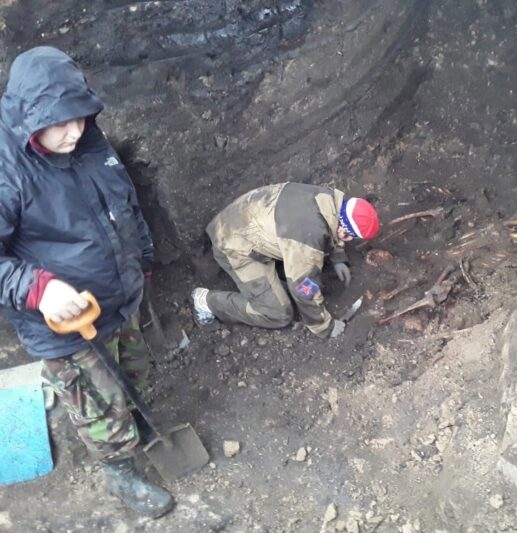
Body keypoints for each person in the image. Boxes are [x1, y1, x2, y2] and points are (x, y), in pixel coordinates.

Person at [0, 47, 173, 517]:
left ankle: (132, 423)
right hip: (65, 320)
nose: (74, 131)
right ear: (31, 117)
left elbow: (124, 202)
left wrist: (143, 260)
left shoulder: (88, 140)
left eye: (79, 116)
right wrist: (38, 289)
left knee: (131, 373)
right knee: (97, 401)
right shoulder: (8, 170)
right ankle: (120, 471)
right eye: (59, 123)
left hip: (118, 297)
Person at [192, 182, 379, 338]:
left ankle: (277, 283)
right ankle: (206, 302)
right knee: (278, 313)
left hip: (245, 219)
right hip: (232, 245)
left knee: (304, 269)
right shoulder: (307, 238)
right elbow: (303, 289)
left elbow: (334, 225)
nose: (348, 240)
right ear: (344, 230)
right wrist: (325, 327)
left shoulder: (329, 199)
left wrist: (338, 256)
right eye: (349, 237)